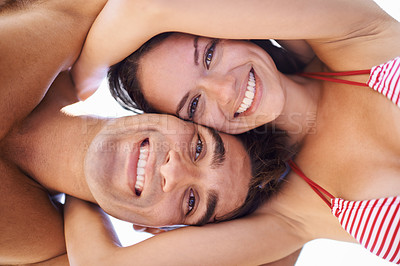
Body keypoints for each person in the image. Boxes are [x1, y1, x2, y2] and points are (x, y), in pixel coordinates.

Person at [67, 0, 400, 264]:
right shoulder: (292, 214)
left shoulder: (354, 33)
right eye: (195, 105)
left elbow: (144, 7)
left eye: (210, 54)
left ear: (231, 28)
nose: (225, 90)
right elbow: (102, 263)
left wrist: (75, 84)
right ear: (198, 128)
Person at [0, 0, 281, 264]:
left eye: (192, 201)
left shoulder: (41, 252)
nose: (173, 173)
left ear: (155, 230)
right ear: (171, 115)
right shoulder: (64, 20)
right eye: (198, 148)